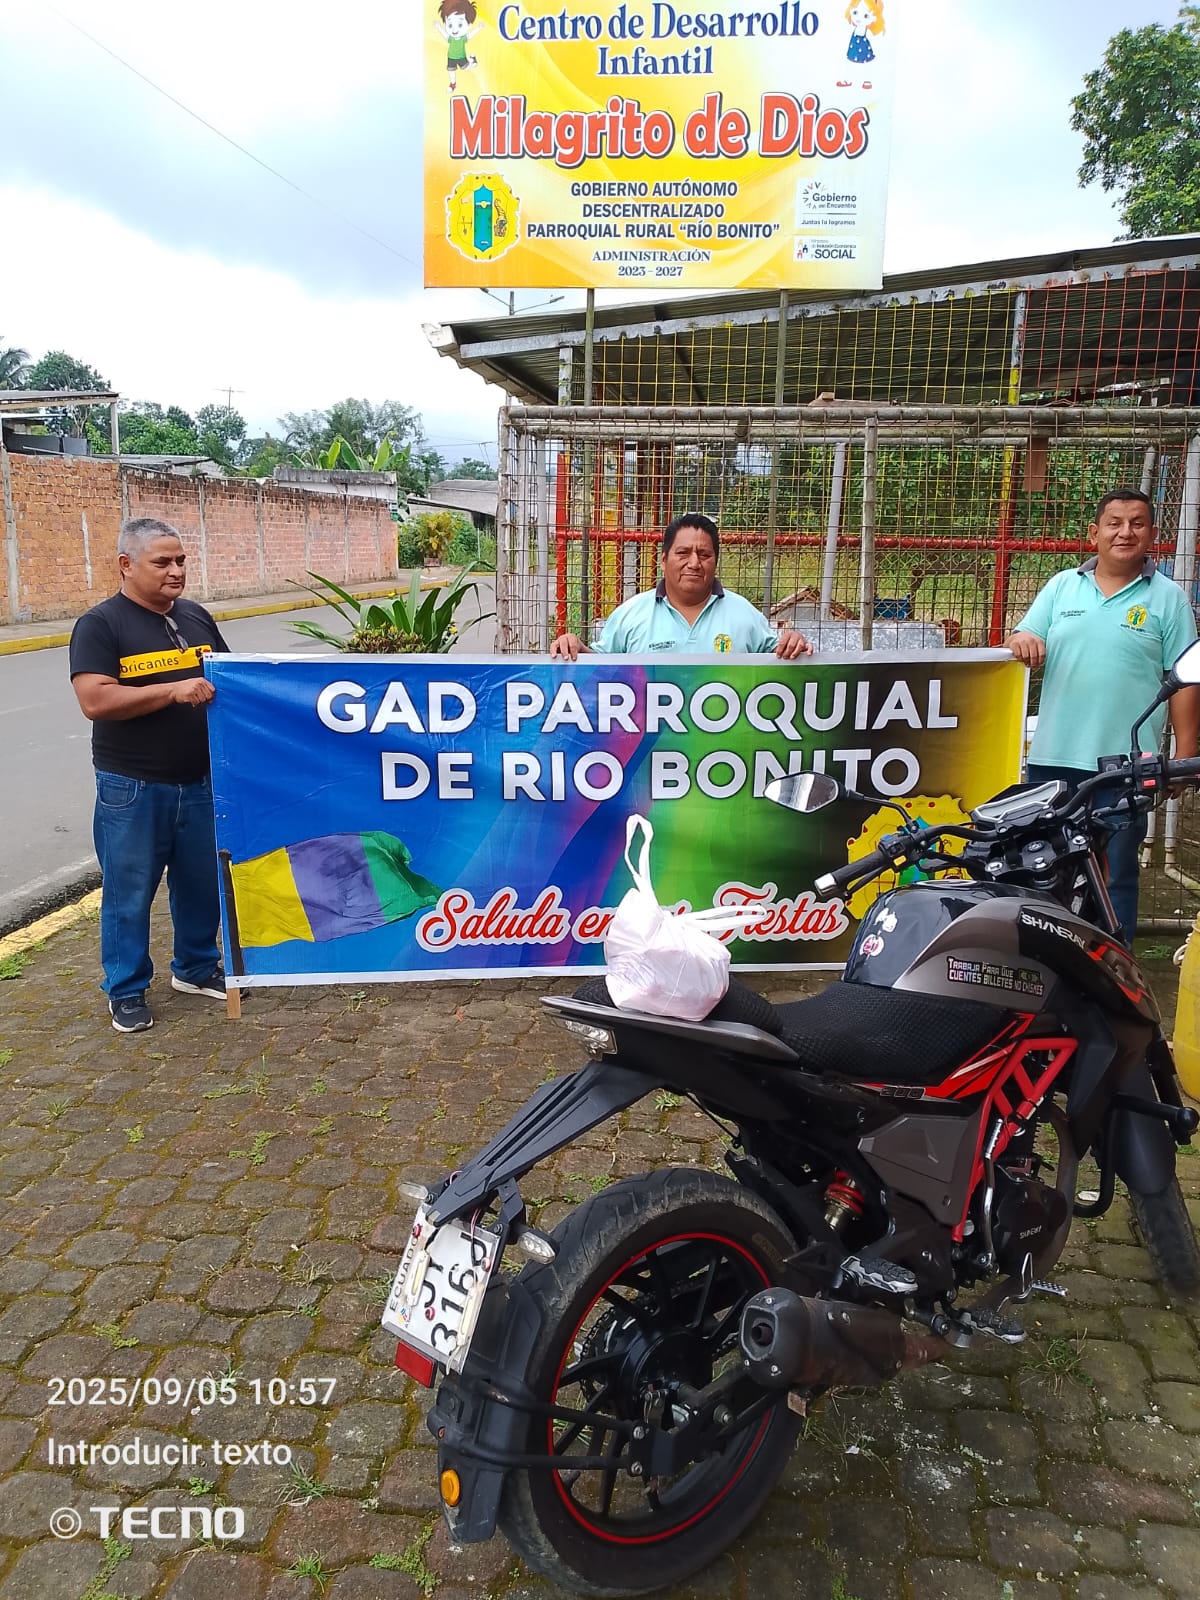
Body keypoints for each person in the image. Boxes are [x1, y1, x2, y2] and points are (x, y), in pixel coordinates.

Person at [1005, 488, 1200, 944]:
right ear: (1094, 533)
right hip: (1053, 759)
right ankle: (1048, 962)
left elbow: (1187, 679)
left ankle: (1116, 968)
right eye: (1114, 523)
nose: (1124, 532)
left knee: (1115, 875)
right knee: (1044, 867)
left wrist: (1185, 754)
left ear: (1151, 534)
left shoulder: (1168, 599)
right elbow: (1022, 636)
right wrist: (1021, 639)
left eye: (1137, 523)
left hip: (1127, 767)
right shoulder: (1062, 586)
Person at [69, 518, 230, 1032]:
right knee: (130, 892)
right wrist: (172, 691)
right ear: (126, 564)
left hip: (200, 782)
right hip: (132, 787)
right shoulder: (101, 625)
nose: (176, 570)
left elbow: (230, 679)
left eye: (180, 560)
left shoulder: (196, 617)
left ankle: (197, 967)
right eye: (162, 562)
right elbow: (95, 700)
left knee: (202, 884)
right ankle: (126, 989)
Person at [549, 513, 813, 661]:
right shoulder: (630, 615)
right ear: (664, 560)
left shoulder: (744, 615)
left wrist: (794, 645)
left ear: (715, 562)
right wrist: (575, 646)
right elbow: (597, 670)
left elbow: (777, 661)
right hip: (650, 745)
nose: (694, 563)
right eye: (683, 553)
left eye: (704, 555)